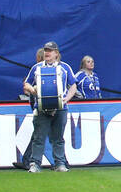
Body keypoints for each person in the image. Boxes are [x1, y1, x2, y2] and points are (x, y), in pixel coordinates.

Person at [15, 41, 77, 173]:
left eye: (50, 50)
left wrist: (67, 98)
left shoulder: (65, 68)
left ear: (56, 53)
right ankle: (35, 164)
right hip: (42, 107)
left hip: (60, 107)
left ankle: (60, 163)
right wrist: (33, 91)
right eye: (46, 50)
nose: (47, 53)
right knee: (39, 137)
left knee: (58, 137)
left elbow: (73, 85)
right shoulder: (37, 67)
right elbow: (26, 84)